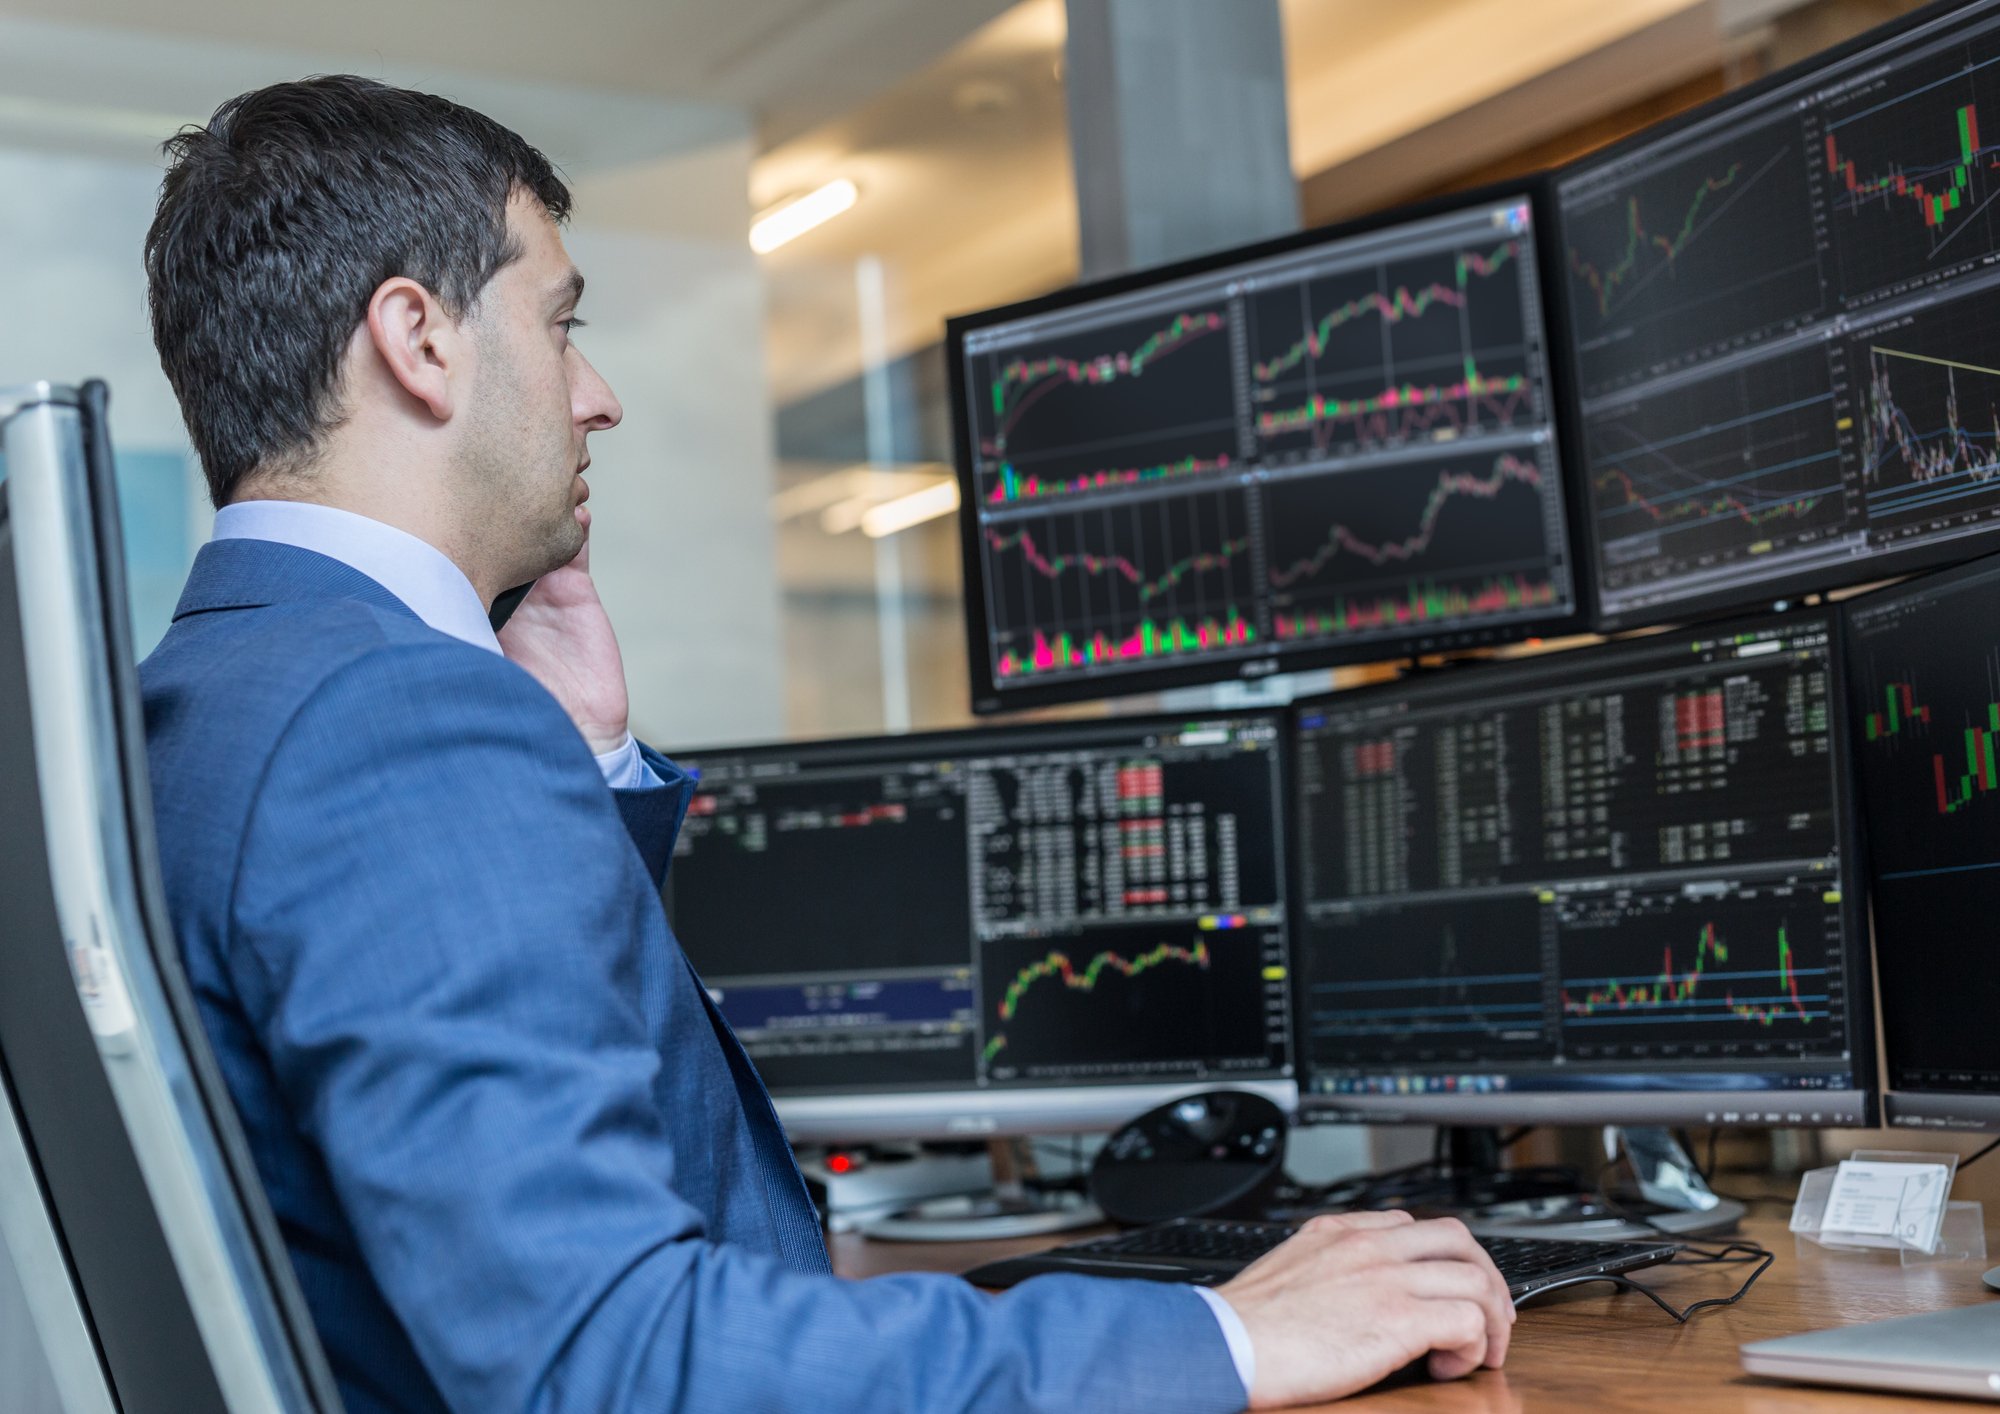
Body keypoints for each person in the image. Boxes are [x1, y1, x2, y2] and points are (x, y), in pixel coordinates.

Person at [137, 74, 1513, 1413]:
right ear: (418, 338)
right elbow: (614, 1359)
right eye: (560, 325)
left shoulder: (212, 690)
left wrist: (585, 764)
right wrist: (1224, 1338)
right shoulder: (399, 720)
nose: (597, 392)